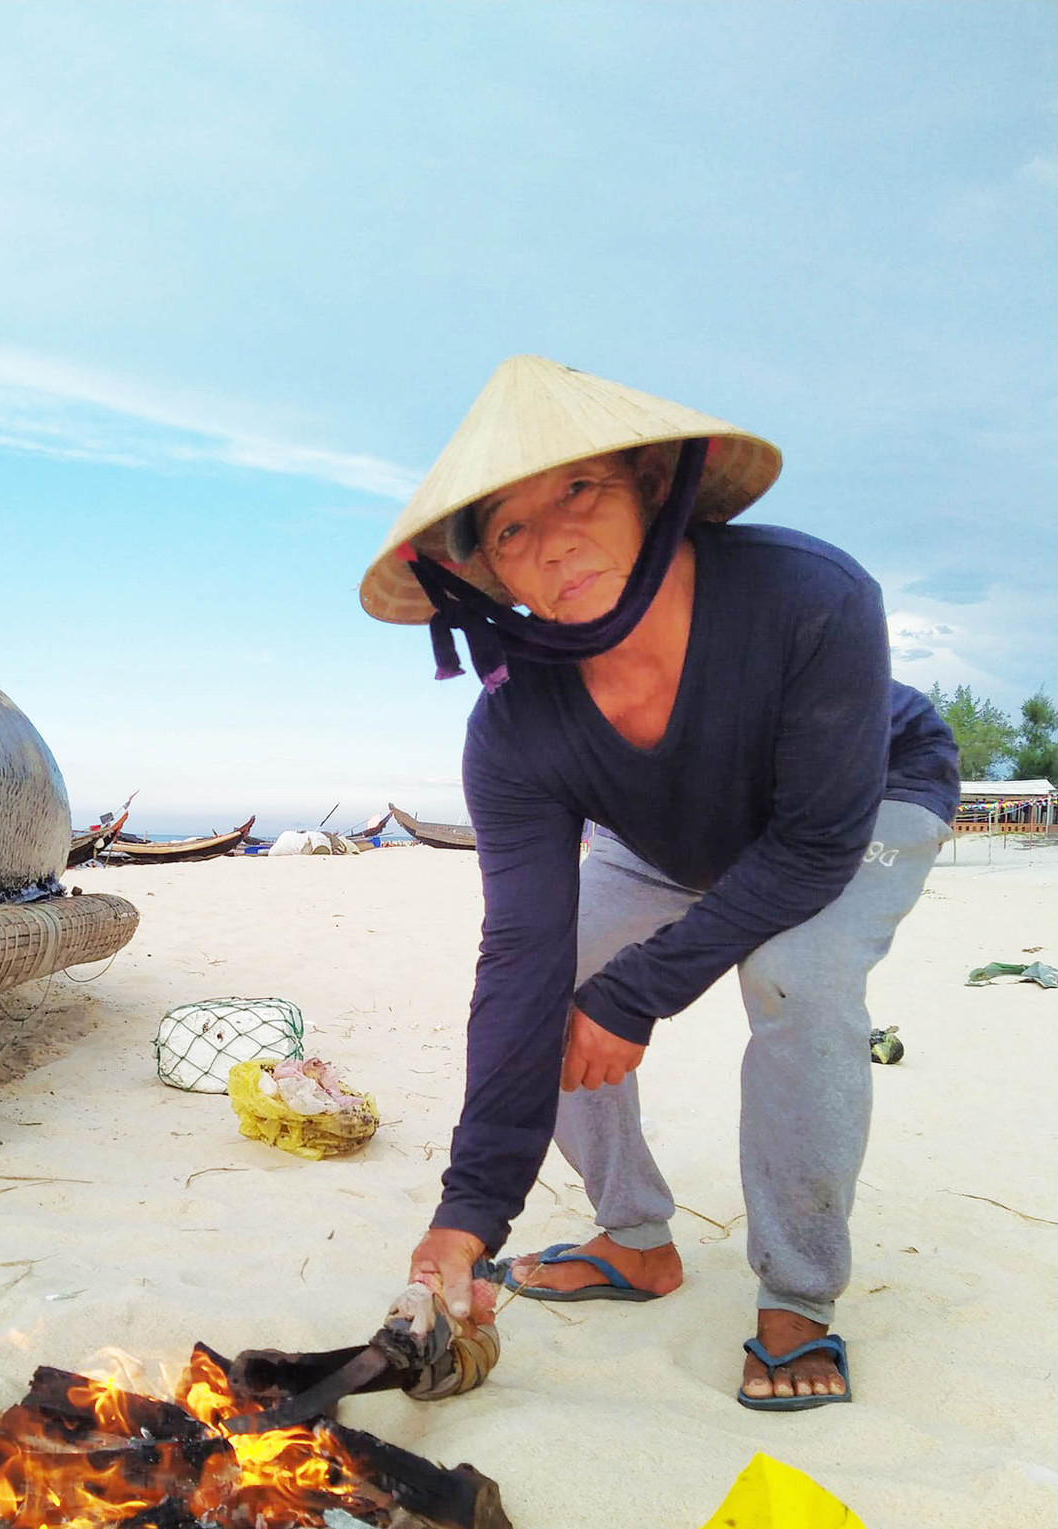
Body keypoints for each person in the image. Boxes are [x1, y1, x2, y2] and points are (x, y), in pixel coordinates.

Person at [359, 356, 959, 1410]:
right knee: (563, 977)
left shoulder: (812, 597)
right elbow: (520, 954)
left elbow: (813, 847)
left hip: (859, 802)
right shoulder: (513, 728)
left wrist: (637, 994)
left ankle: (799, 1293)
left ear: (649, 485)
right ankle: (634, 1236)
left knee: (797, 970)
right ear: (484, 577)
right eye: (506, 530)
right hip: (672, 832)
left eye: (577, 489)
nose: (550, 540)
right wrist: (470, 1210)